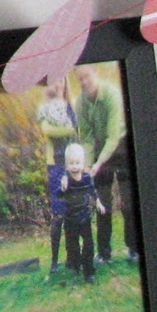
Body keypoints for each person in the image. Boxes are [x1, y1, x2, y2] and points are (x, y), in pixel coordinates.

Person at [75, 63, 138, 263]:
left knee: (128, 200)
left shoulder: (112, 94)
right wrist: (87, 163)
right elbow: (86, 137)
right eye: (80, 79)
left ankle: (134, 248)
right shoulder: (80, 102)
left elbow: (112, 136)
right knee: (102, 202)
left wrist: (99, 163)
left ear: (95, 73)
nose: (84, 82)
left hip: (120, 146)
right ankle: (104, 253)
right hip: (98, 150)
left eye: (87, 76)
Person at [35, 75, 78, 275]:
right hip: (55, 165)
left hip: (72, 164)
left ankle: (72, 259)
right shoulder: (45, 108)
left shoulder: (70, 106)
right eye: (55, 80)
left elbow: (77, 132)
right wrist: (69, 129)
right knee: (58, 214)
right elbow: (49, 131)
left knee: (73, 214)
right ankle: (53, 261)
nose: (59, 84)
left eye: (62, 80)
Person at [60, 142, 107, 283]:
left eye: (77, 163)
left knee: (88, 244)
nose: (75, 166)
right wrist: (63, 183)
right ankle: (75, 263)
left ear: (83, 163)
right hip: (70, 219)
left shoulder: (86, 178)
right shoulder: (66, 179)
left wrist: (99, 203)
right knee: (72, 245)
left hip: (84, 217)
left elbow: (93, 191)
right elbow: (60, 191)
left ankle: (89, 271)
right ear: (67, 165)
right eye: (71, 163)